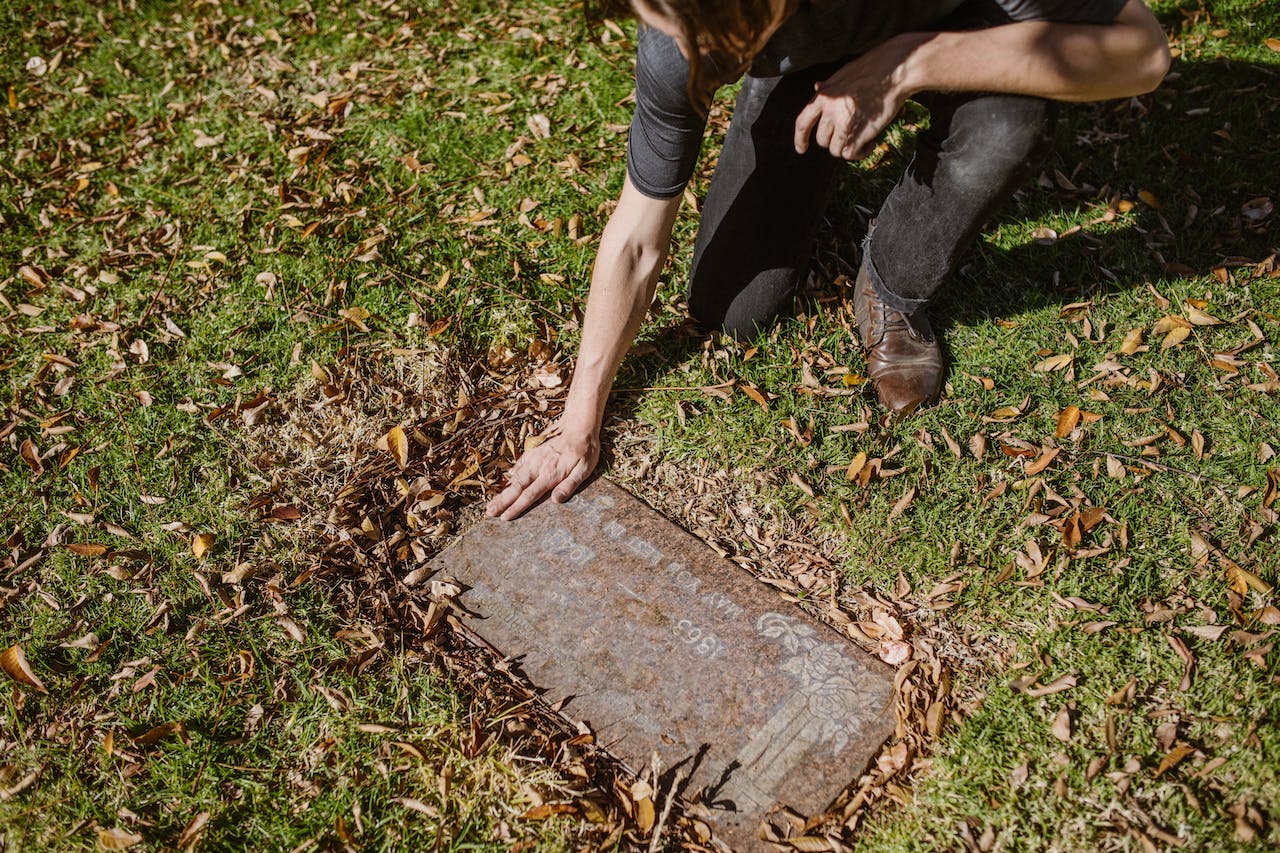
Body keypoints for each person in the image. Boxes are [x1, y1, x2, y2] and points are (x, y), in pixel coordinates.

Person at [485, 0, 1170, 521]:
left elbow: (1141, 50)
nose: (676, 42)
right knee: (730, 306)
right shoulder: (676, 28)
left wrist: (910, 62)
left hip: (971, 26)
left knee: (1004, 128)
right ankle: (794, 82)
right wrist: (577, 425)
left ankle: (895, 279)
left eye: (710, 34)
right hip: (814, 37)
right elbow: (637, 237)